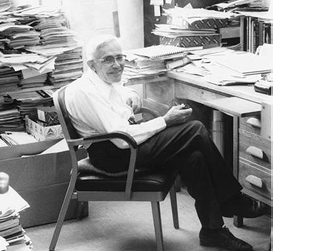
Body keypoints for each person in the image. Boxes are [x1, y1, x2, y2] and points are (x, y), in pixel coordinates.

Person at [63, 34, 266, 251]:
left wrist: (132, 93)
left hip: (124, 145)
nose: (117, 64)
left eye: (120, 57)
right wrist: (165, 120)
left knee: (194, 157)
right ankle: (230, 199)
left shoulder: (99, 80)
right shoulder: (84, 92)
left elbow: (119, 91)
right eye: (108, 60)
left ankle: (212, 230)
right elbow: (121, 139)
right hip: (115, 155)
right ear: (92, 64)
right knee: (195, 130)